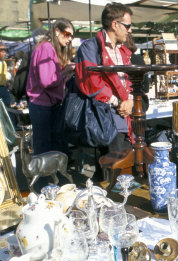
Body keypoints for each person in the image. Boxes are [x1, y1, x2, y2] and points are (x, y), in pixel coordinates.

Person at [75, 2, 134, 154]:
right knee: (111, 166)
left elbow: (128, 82)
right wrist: (120, 103)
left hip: (123, 116)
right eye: (127, 26)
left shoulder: (123, 52)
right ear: (115, 24)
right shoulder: (90, 47)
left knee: (123, 164)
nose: (130, 30)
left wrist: (130, 101)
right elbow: (91, 83)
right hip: (103, 117)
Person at [26, 18, 75, 155]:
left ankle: (48, 175)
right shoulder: (46, 47)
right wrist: (65, 71)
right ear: (57, 31)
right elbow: (47, 81)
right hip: (42, 105)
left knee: (47, 146)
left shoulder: (47, 47)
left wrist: (64, 70)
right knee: (45, 149)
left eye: (71, 35)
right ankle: (44, 176)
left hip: (45, 104)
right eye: (67, 34)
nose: (70, 39)